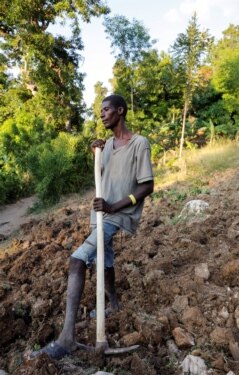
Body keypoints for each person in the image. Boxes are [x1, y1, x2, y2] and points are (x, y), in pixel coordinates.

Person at [32, 94, 154, 359]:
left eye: (107, 109)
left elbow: (148, 186)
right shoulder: (107, 145)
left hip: (116, 215)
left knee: (77, 261)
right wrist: (96, 156)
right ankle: (114, 304)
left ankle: (66, 339)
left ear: (120, 111)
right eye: (100, 110)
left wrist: (115, 206)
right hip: (99, 215)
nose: (102, 114)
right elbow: (102, 179)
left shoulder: (139, 144)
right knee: (105, 261)